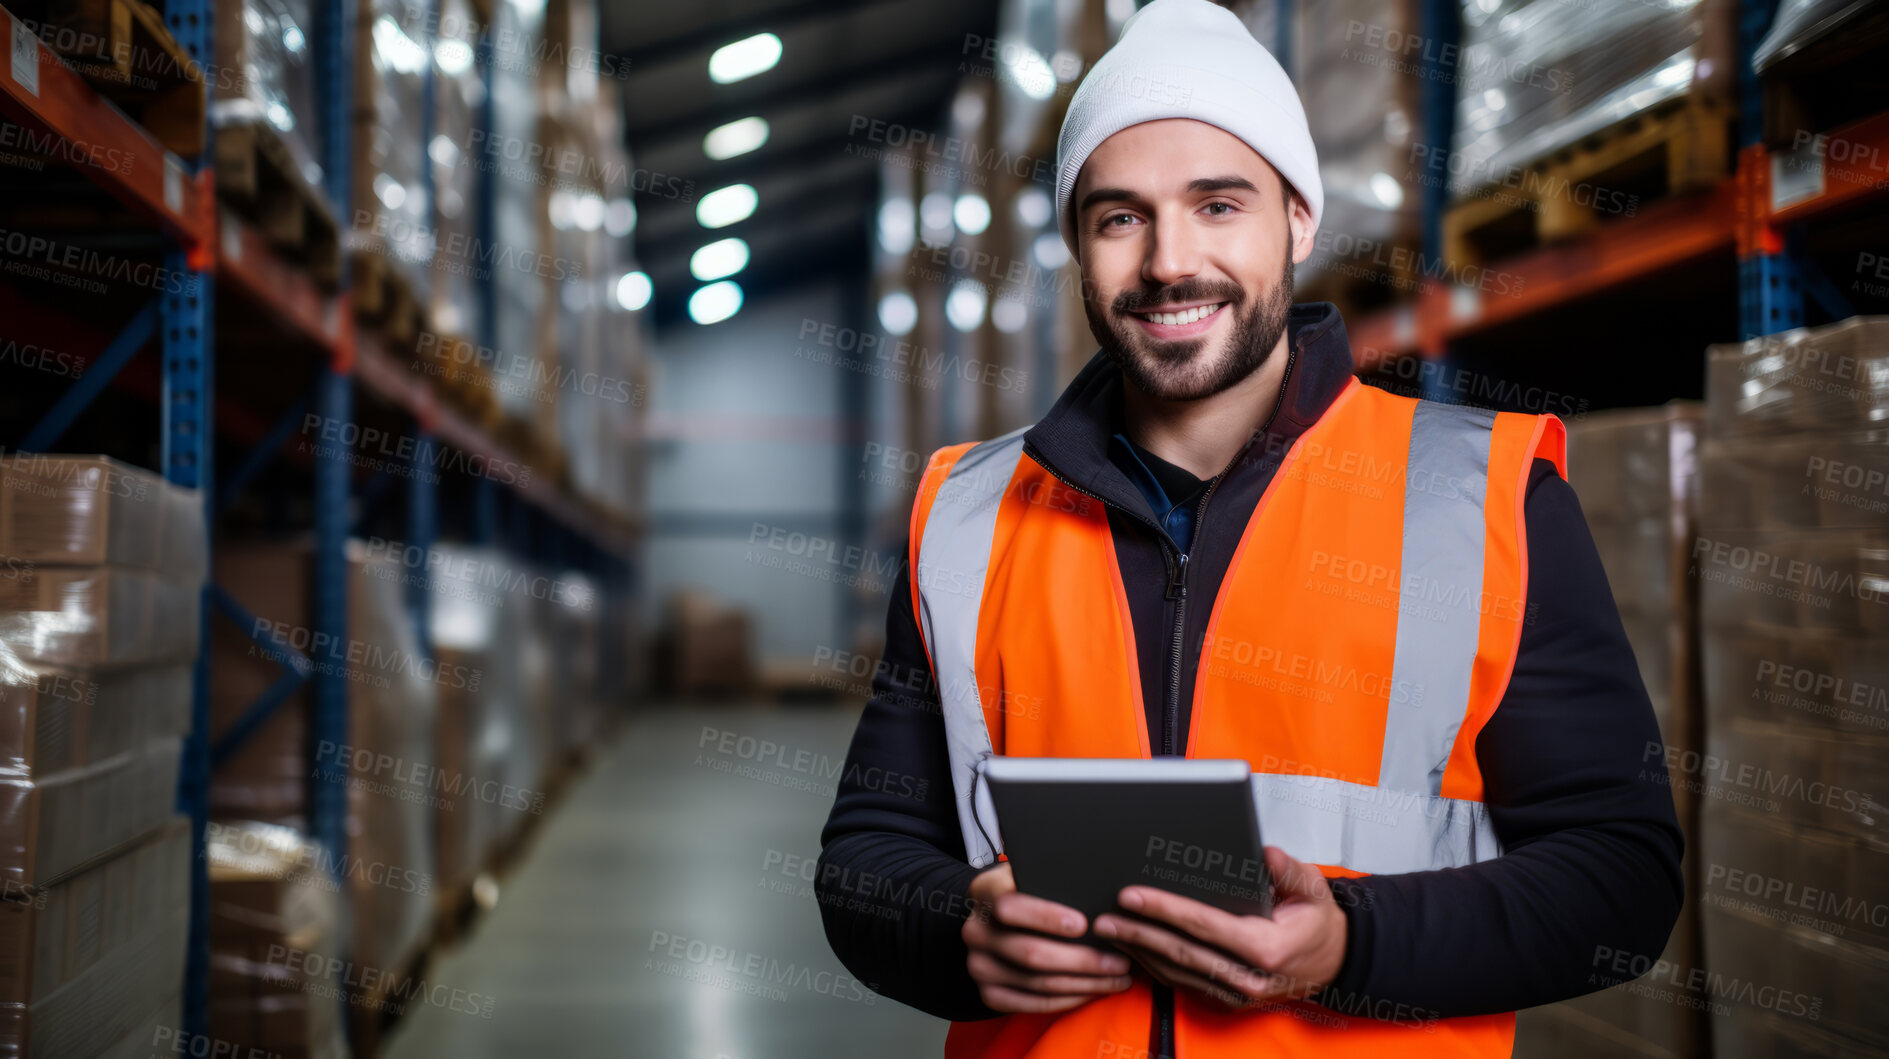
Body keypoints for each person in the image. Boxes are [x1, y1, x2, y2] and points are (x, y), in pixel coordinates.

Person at [817, 1, 1682, 1055]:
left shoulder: (1483, 496)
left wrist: (1350, 946)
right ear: (1078, 247)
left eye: (1217, 204)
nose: (1168, 262)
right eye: (1118, 217)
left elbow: (1619, 879)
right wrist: (958, 933)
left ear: (1298, 221)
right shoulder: (966, 513)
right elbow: (867, 855)